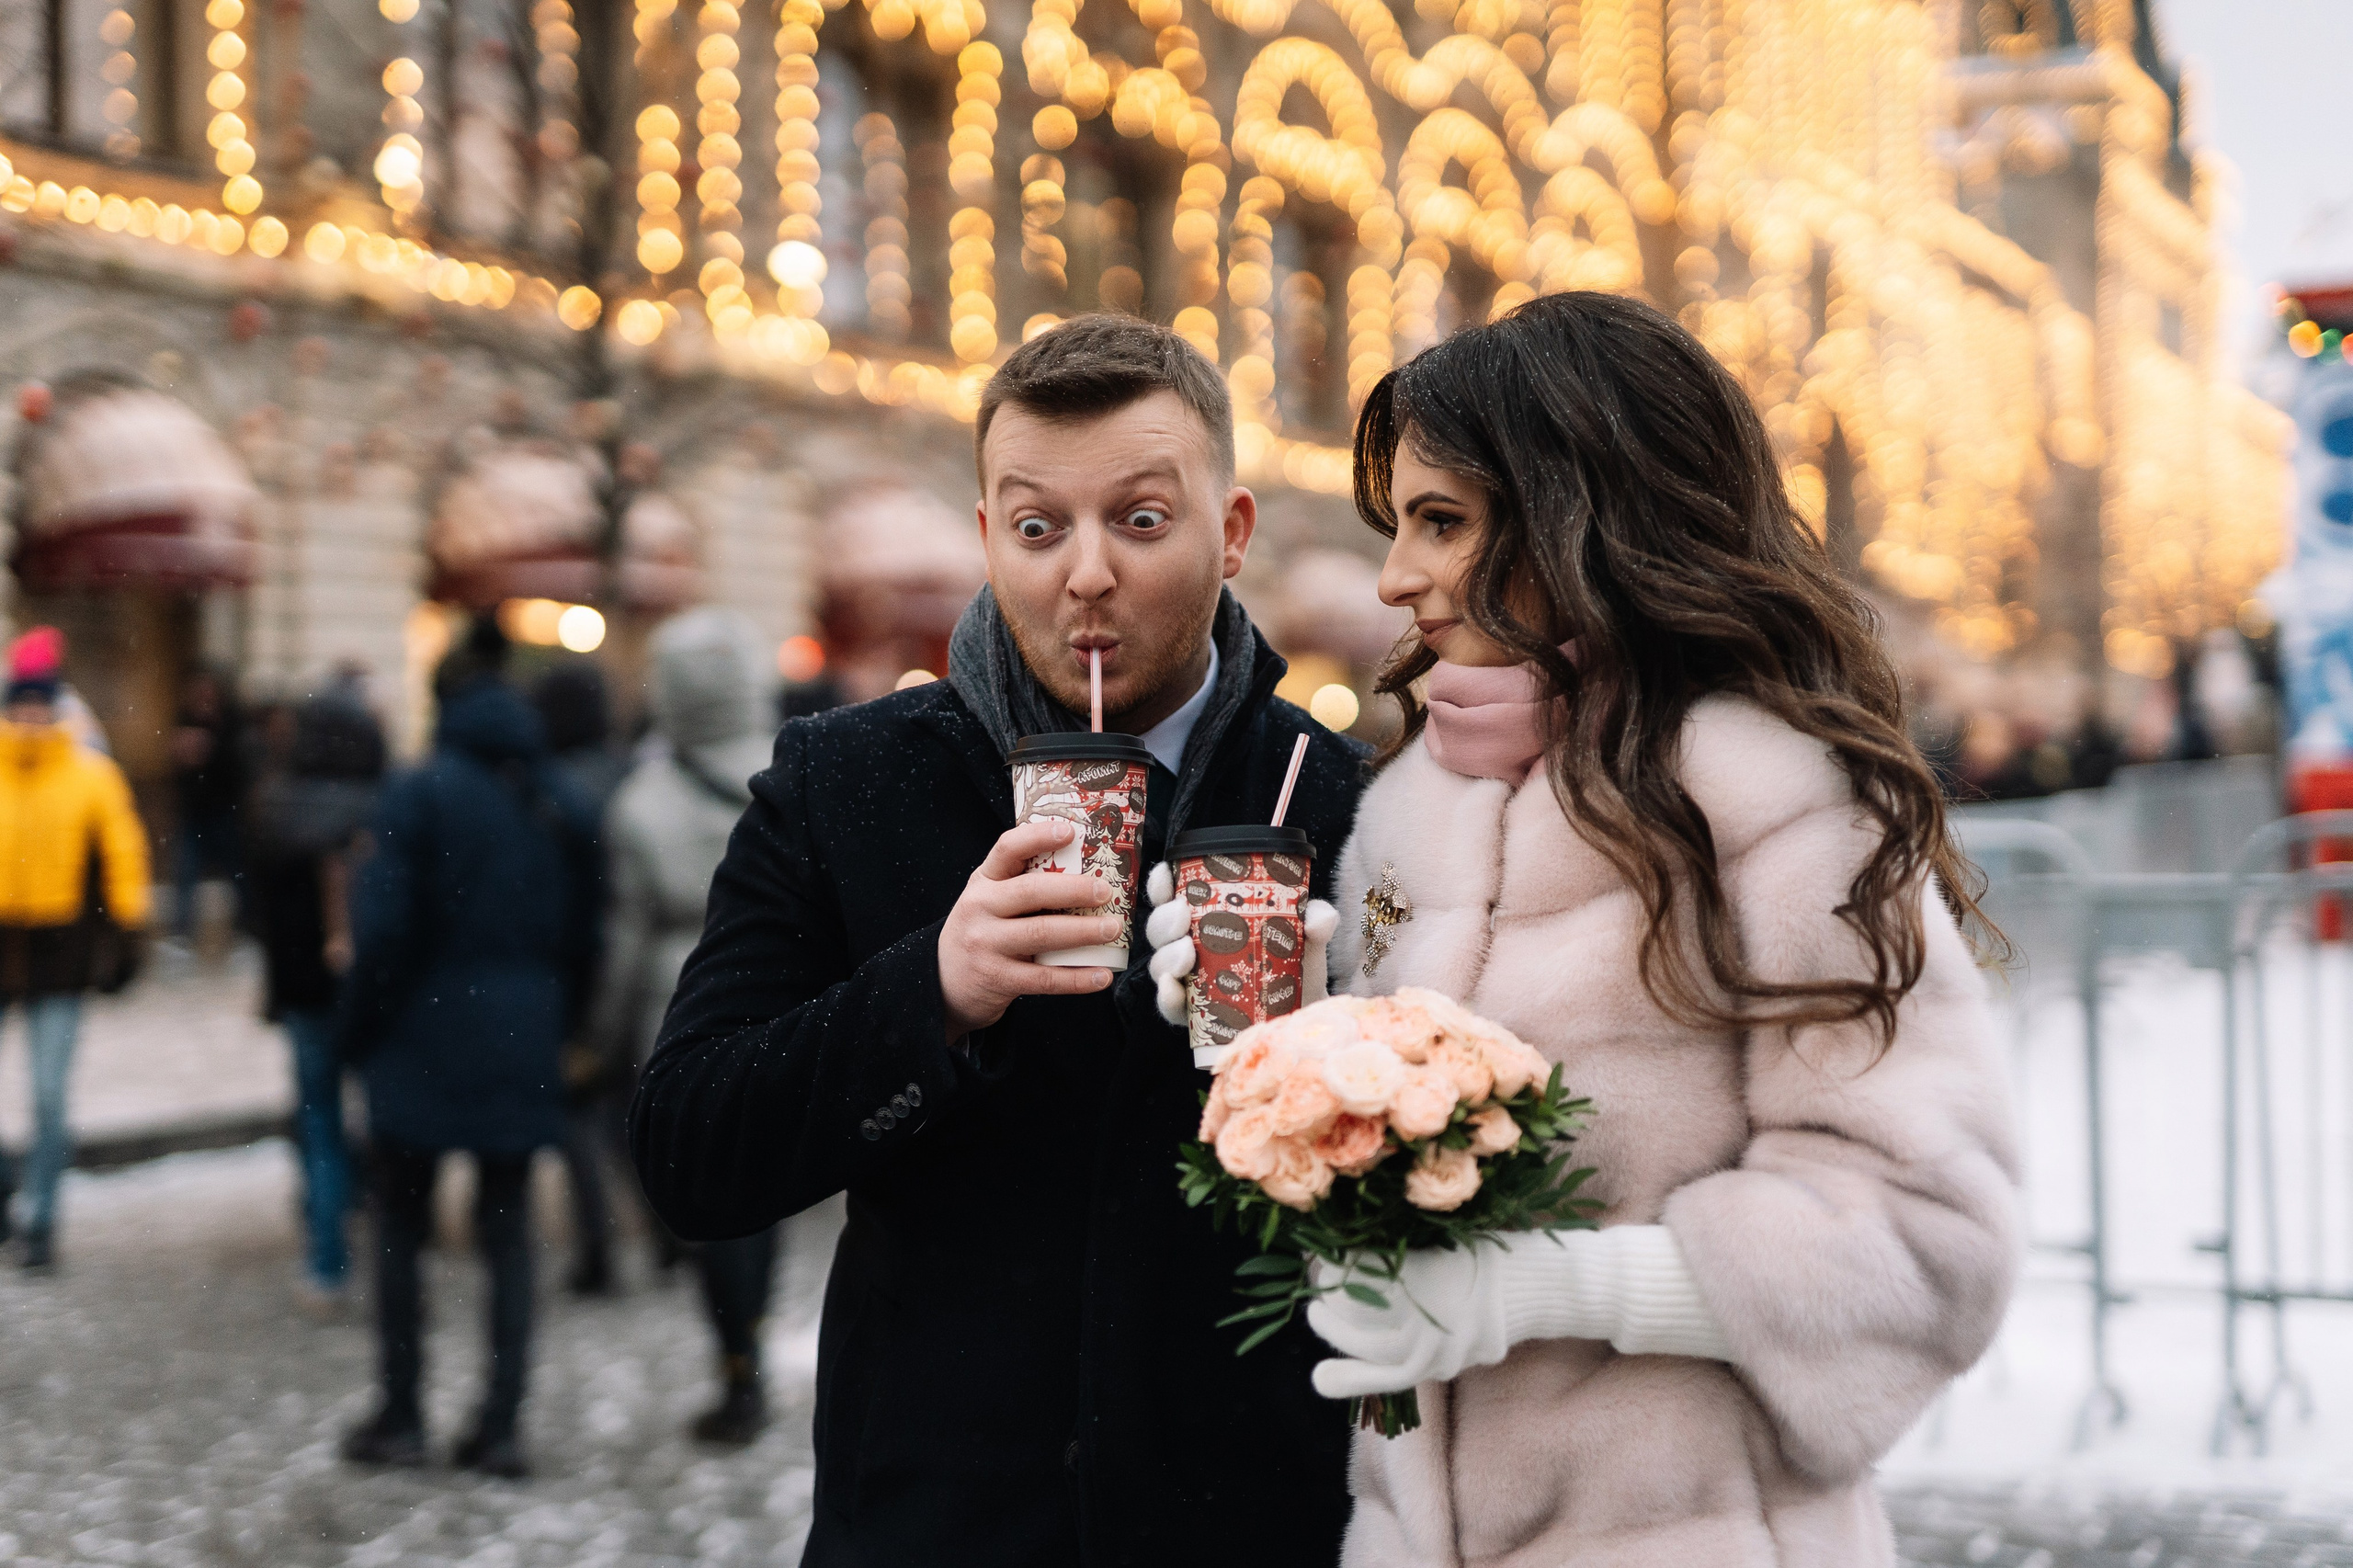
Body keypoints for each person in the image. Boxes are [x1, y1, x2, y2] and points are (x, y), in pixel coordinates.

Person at [1270, 291, 2019, 1565]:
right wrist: (1265, 1029)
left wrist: (1554, 1289)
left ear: (1581, 512)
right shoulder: (1412, 802)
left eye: (1441, 522)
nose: (1397, 577)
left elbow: (1925, 1240)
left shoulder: (1771, 801)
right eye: (1397, 525)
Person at [630, 315, 1367, 1565]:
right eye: (1039, 528)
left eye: (1141, 519)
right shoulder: (843, 782)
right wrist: (931, 990)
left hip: (1250, 1514)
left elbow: (1461, 1174)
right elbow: (692, 1150)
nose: (1086, 574)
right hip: (936, 1514)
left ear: (1231, 532)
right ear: (987, 539)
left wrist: (1337, 1042)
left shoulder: (1339, 794)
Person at [337, 619, 602, 1478]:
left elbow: (382, 932)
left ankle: (403, 1411)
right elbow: (587, 931)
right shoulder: (556, 799)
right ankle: (500, 1424)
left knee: (400, 1232)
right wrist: (565, 1026)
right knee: (508, 1236)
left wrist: (358, 1031)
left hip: (421, 1030)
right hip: (522, 1031)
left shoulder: (420, 793)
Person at [589, 608, 784, 1443]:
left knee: (708, 1190)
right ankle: (749, 1338)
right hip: (780, 993)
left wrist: (601, 1039)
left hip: (683, 1006)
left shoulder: (642, 802)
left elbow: (623, 943)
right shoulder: (792, 770)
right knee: (765, 1186)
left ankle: (734, 1351)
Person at [0, 653, 151, 1271]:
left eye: (40, 705)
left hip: (59, 956)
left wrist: (129, 934)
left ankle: (41, 1217)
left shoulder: (91, 774)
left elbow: (124, 853)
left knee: (50, 1094)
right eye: (21, 706)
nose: (31, 717)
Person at [245, 670, 387, 1312]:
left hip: (304, 990)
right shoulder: (385, 808)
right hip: (374, 989)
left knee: (320, 1123)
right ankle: (393, 1252)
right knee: (383, 1120)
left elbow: (263, 919)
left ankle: (327, 1259)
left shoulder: (275, 809)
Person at [531, 659, 631, 1297]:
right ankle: (672, 1232)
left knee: (579, 1113)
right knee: (628, 1105)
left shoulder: (554, 789)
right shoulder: (631, 774)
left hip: (578, 966)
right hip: (635, 961)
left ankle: (598, 1247)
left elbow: (552, 896)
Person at [169, 666, 248, 943]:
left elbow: (237, 767)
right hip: (194, 812)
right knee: (186, 875)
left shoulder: (230, 723)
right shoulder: (186, 719)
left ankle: (242, 930)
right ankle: (182, 933)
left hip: (224, 811)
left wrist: (209, 750)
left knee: (236, 874)